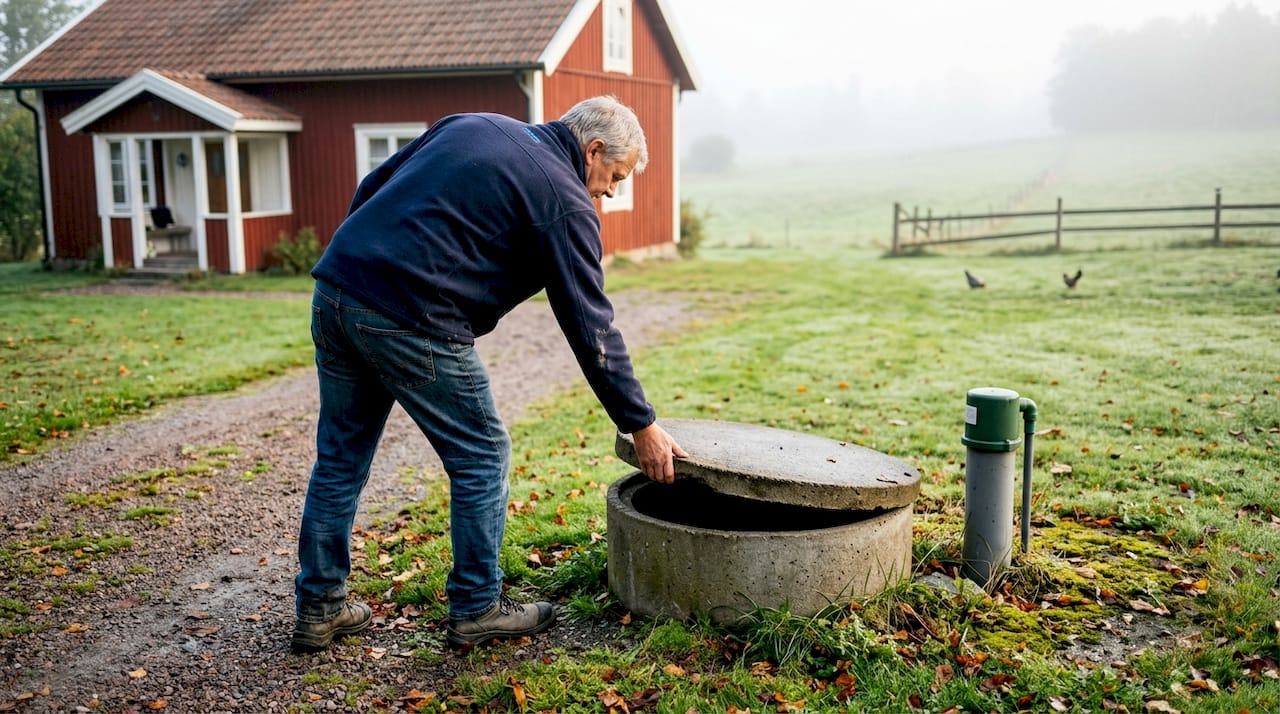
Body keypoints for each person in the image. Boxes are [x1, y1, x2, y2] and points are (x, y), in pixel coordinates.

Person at [291, 95, 687, 653]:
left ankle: (320, 607)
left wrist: (359, 264)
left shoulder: (472, 124)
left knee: (339, 456)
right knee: (482, 454)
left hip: (337, 289)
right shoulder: (564, 198)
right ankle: (478, 606)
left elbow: (373, 189)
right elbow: (590, 324)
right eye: (614, 176)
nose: (610, 192)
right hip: (413, 315)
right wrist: (640, 423)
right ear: (593, 149)